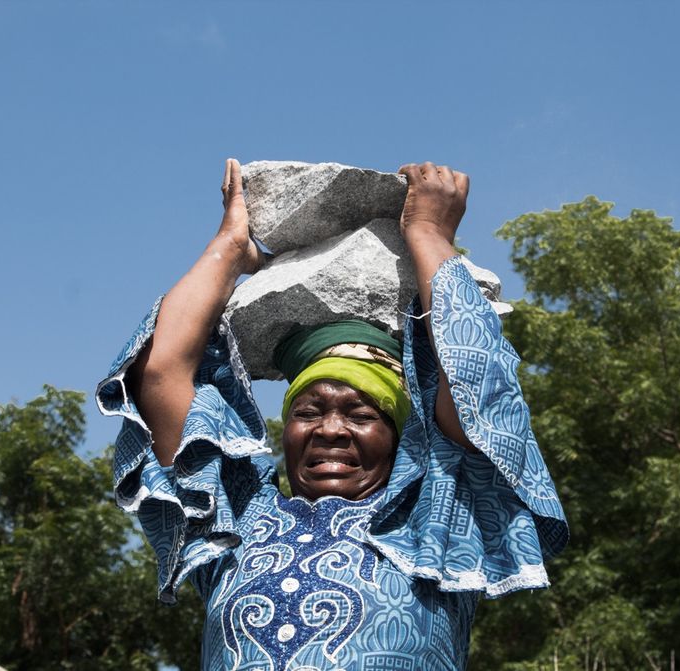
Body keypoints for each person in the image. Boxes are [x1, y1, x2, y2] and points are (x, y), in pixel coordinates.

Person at [96, 160, 568, 671]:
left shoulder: (433, 524)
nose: (330, 430)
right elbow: (161, 374)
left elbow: (476, 387)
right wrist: (231, 249)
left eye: (361, 413)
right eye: (308, 411)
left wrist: (429, 234)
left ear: (399, 435)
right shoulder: (236, 525)